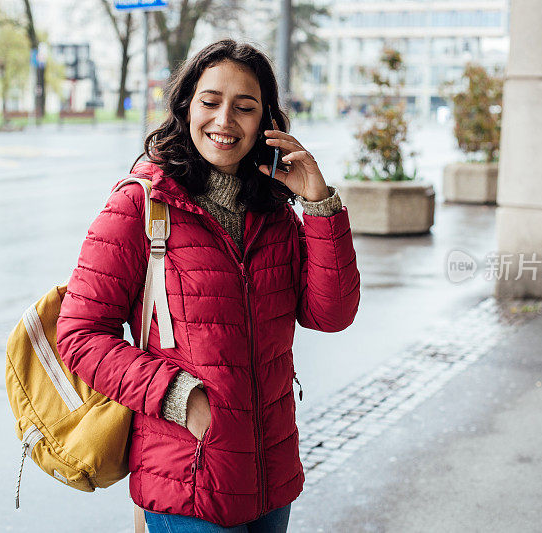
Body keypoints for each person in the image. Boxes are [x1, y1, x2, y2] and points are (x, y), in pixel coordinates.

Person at [56, 39, 360, 532]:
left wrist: (319, 204)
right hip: (185, 476)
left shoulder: (276, 212)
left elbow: (333, 314)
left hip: (269, 473)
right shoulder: (141, 205)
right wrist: (181, 395)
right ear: (185, 106)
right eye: (211, 102)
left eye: (245, 107)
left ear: (266, 123)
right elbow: (80, 334)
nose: (225, 121)